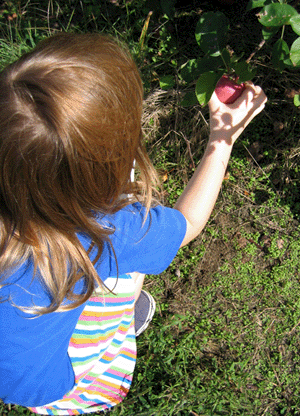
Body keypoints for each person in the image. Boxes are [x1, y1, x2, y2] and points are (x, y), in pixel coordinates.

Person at [0, 32, 267, 415]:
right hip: (50, 383)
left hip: (11, 366)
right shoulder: (109, 231)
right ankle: (110, 330)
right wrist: (222, 139)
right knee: (128, 272)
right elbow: (187, 225)